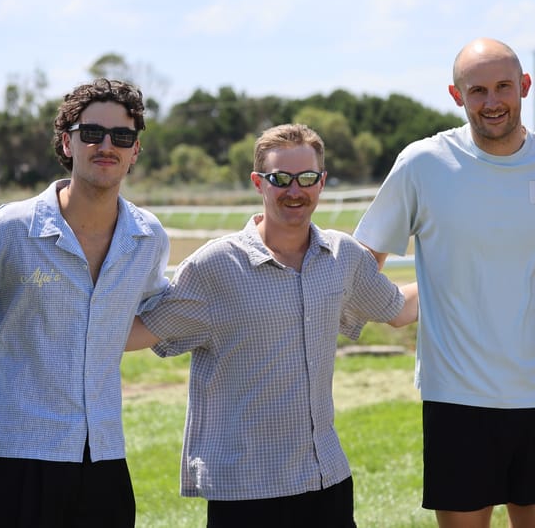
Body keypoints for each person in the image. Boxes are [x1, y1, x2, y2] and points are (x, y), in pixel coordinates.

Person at [126, 123, 418, 528]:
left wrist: (463, 271)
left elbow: (398, 309)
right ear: (258, 183)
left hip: (326, 479)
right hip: (246, 490)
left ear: (322, 182)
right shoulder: (215, 266)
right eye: (280, 179)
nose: (294, 191)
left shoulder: (342, 257)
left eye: (307, 178)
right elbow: (138, 332)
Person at [353, 38, 535, 528]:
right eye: (477, 90)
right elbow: (360, 265)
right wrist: (398, 307)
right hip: (456, 398)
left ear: (524, 86)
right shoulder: (423, 164)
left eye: (504, 86)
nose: (492, 101)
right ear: (455, 95)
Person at [0, 78, 170, 527]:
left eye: (122, 136)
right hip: (19, 449)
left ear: (135, 150)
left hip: (103, 449)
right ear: (67, 141)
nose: (106, 145)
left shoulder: (147, 236)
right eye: (91, 133)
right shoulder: (10, 228)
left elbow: (138, 319)